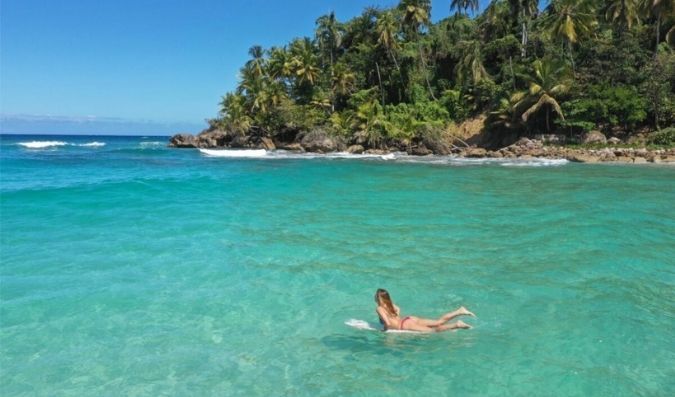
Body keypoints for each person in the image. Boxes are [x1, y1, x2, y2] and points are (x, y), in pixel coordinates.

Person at [375, 288, 474, 332]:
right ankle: (459, 311)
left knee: (433, 331)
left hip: (404, 325)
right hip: (409, 319)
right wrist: (397, 317)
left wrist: (385, 331)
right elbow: (398, 309)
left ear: (378, 298)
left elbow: (387, 323)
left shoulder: (379, 308)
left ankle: (457, 325)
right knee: (437, 322)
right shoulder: (390, 304)